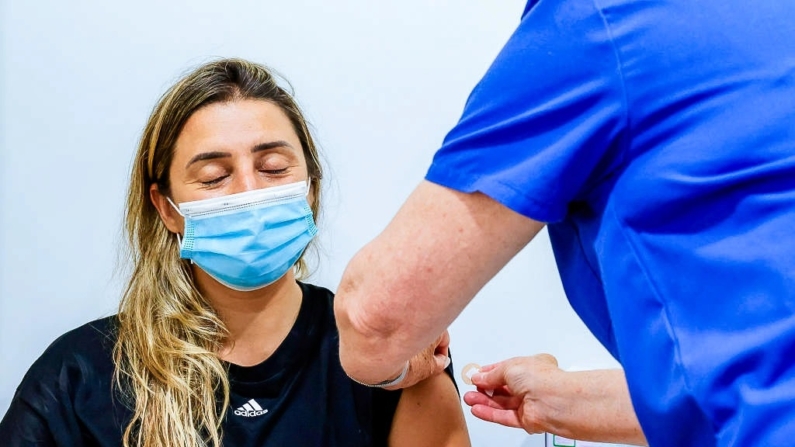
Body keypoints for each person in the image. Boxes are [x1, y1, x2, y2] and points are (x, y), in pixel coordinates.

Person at [333, 0, 795, 446]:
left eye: (275, 169)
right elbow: (752, 368)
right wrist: (557, 398)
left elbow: (375, 320)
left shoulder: (599, 23)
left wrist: (391, 365)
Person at [0, 58, 470, 447]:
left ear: (310, 188)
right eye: (213, 177)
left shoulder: (387, 354)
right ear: (166, 209)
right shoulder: (79, 377)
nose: (248, 192)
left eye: (272, 167)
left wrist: (418, 369)